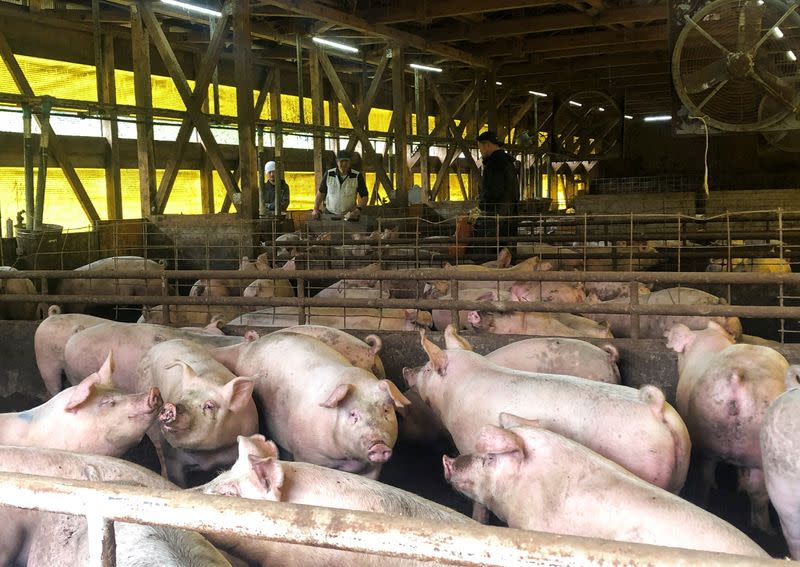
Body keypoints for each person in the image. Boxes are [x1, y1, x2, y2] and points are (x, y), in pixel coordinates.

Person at [312, 150, 368, 221]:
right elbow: (321, 192)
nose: (344, 164)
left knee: (350, 232)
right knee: (330, 232)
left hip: (350, 215)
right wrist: (315, 209)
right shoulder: (329, 174)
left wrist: (358, 209)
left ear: (350, 162)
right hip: (330, 214)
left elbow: (364, 196)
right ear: (337, 162)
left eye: (346, 161)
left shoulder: (357, 176)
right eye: (341, 161)